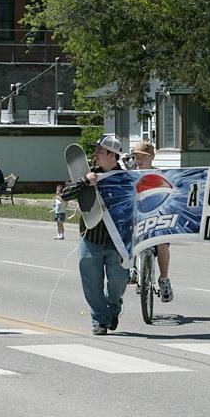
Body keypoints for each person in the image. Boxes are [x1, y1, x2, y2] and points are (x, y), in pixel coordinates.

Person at [59, 136, 128, 335]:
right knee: (91, 284)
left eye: (100, 150)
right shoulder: (88, 174)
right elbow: (64, 194)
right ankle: (99, 320)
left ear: (112, 155)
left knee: (118, 281)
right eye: (96, 150)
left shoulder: (127, 178)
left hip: (117, 242)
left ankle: (113, 308)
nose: (95, 154)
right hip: (91, 239)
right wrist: (83, 182)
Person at [131, 141, 173, 302]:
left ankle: (164, 280)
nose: (139, 159)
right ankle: (132, 269)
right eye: (136, 156)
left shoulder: (162, 174)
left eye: (143, 156)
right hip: (136, 217)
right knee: (127, 238)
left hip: (157, 217)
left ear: (152, 157)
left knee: (161, 242)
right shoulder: (129, 175)